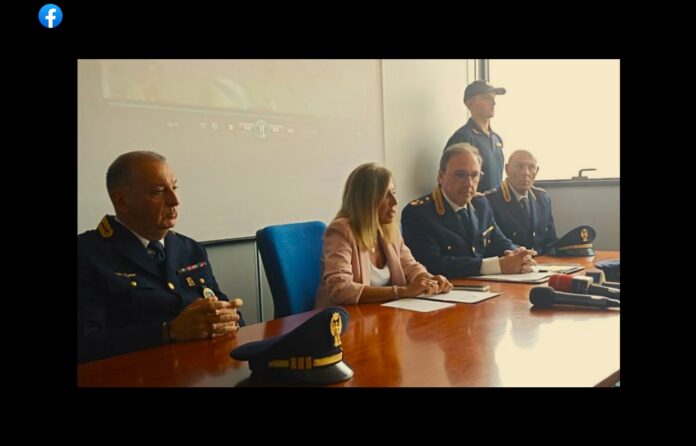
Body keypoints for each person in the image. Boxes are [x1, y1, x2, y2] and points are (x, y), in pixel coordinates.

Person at [78, 151, 244, 363]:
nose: (175, 201)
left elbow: (226, 310)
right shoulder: (87, 254)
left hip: (204, 366)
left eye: (174, 187)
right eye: (158, 192)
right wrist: (168, 331)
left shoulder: (189, 248)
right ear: (122, 201)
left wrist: (228, 318)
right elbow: (86, 342)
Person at [315, 162, 453, 309]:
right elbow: (340, 289)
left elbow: (410, 266)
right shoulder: (341, 230)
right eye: (386, 195)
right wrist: (401, 292)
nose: (395, 202)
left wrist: (428, 280)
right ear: (366, 200)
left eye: (393, 192)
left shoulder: (389, 230)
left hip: (382, 315)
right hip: (344, 318)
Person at [402, 143, 537, 279]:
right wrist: (497, 265)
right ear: (441, 176)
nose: (469, 183)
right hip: (449, 287)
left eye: (474, 175)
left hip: (483, 285)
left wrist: (519, 254)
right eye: (460, 175)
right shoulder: (418, 213)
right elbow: (432, 263)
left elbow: (499, 240)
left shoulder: (481, 204)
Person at [484, 150, 558, 254]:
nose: (525, 173)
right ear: (507, 169)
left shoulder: (543, 199)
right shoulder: (490, 200)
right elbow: (494, 244)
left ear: (537, 171)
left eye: (531, 167)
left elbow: (550, 241)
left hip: (541, 260)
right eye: (519, 166)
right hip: (509, 261)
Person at [444, 80, 506, 192]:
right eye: (487, 98)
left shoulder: (497, 139)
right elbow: (449, 180)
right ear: (470, 104)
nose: (493, 103)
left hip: (495, 202)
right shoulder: (463, 138)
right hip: (474, 202)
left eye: (493, 98)